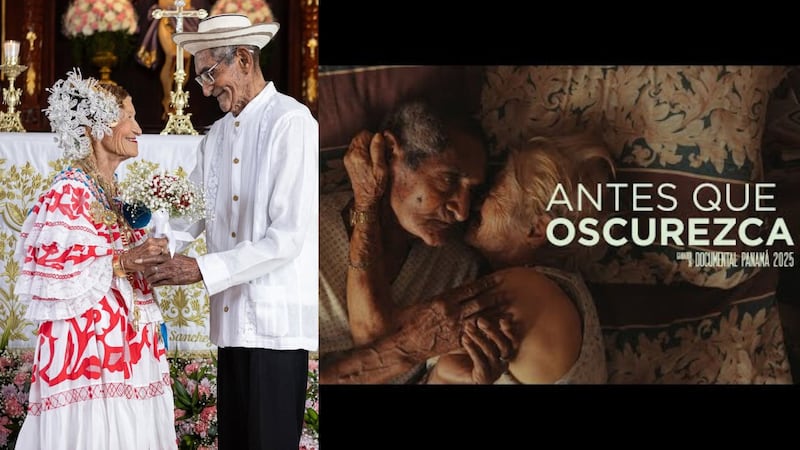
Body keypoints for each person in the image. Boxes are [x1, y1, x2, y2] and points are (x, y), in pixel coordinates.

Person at [137, 14, 318, 450]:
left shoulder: (291, 123)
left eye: (208, 73)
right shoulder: (214, 137)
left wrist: (199, 268)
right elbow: (191, 214)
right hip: (232, 322)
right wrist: (160, 245)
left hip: (275, 325)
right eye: (199, 75)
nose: (203, 88)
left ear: (243, 58)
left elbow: (287, 239)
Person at [347, 132, 611, 384]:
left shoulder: (524, 291)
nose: (471, 205)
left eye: (492, 194)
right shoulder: (556, 293)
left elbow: (375, 338)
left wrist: (366, 203)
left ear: (536, 229)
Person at [13, 70, 176, 449]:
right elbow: (55, 273)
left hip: (124, 348)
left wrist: (152, 262)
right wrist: (124, 261)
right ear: (94, 127)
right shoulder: (68, 191)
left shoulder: (112, 192)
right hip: (88, 354)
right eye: (128, 117)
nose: (138, 127)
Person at [319, 100, 517, 385]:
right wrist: (406, 348)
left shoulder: (458, 270)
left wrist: (450, 377)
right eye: (448, 179)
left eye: (471, 191)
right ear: (389, 153)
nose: (461, 211)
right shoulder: (299, 231)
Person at [425, 134, 612, 383]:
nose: (477, 198)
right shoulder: (563, 295)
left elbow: (388, 343)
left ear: (536, 230)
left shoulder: (519, 291)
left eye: (497, 187)